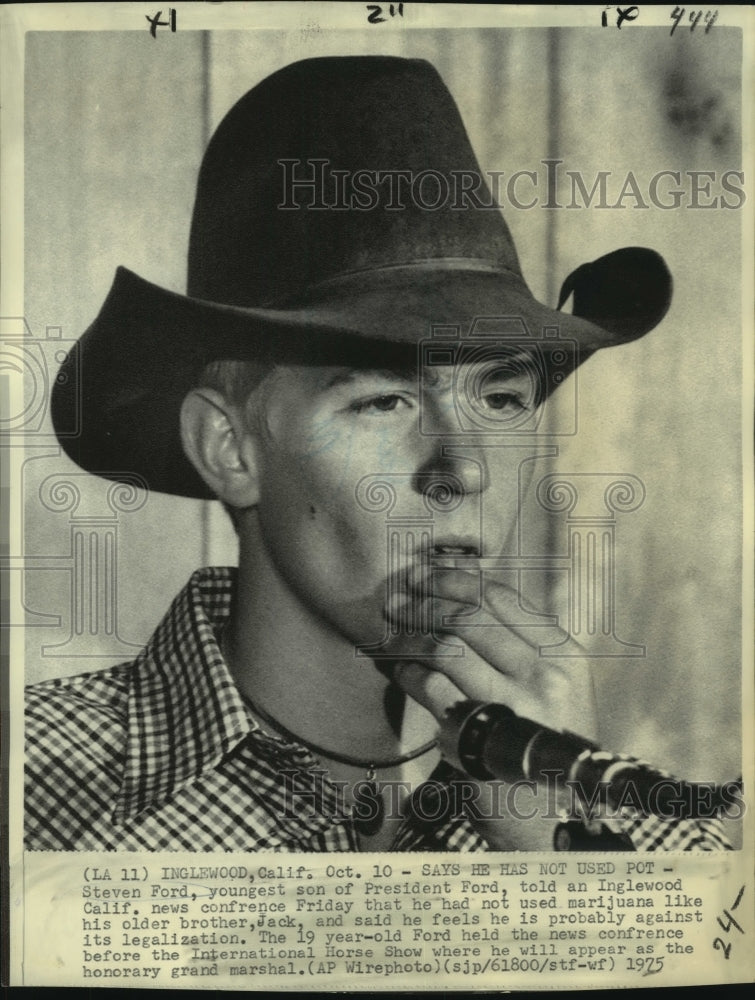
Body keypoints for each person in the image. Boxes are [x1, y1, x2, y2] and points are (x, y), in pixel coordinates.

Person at [24, 56, 730, 852]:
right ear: (228, 448)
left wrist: (554, 860)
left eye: (499, 399)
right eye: (383, 401)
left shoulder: (652, 853)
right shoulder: (36, 793)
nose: (465, 470)